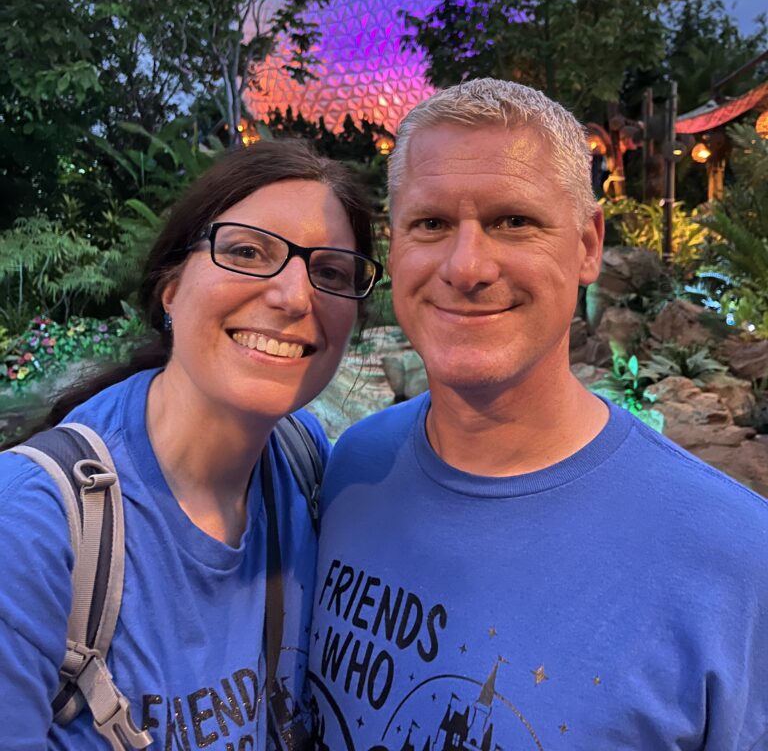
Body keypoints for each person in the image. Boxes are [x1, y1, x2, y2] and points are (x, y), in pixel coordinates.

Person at [309, 79, 768, 751]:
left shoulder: (736, 561)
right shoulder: (355, 464)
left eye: (513, 221)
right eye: (431, 223)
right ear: (394, 245)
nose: (467, 266)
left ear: (587, 245)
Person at [0, 139, 382, 750]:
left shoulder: (302, 458)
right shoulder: (28, 528)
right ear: (172, 288)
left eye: (331, 271)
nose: (294, 296)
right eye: (247, 252)